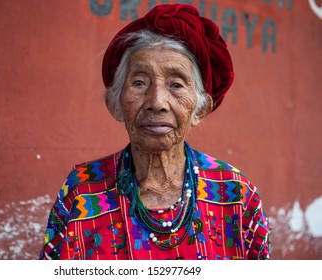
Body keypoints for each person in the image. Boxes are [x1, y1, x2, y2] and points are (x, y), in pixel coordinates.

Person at [39, 4, 269, 260]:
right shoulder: (82, 190)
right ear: (115, 104)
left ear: (200, 110)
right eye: (139, 82)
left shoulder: (236, 196)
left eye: (176, 84)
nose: (157, 101)